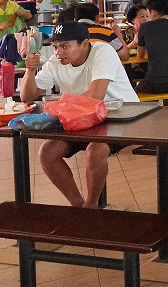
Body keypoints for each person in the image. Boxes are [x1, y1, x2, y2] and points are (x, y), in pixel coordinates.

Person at [21, 22, 139, 208]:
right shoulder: (56, 62)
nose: (59, 52)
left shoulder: (102, 52)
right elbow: (27, 96)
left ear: (84, 43)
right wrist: (30, 70)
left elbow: (95, 96)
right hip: (82, 119)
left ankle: (91, 206)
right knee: (47, 152)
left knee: (95, 150)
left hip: (121, 117)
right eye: (55, 46)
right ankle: (78, 205)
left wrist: (57, 105)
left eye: (65, 46)